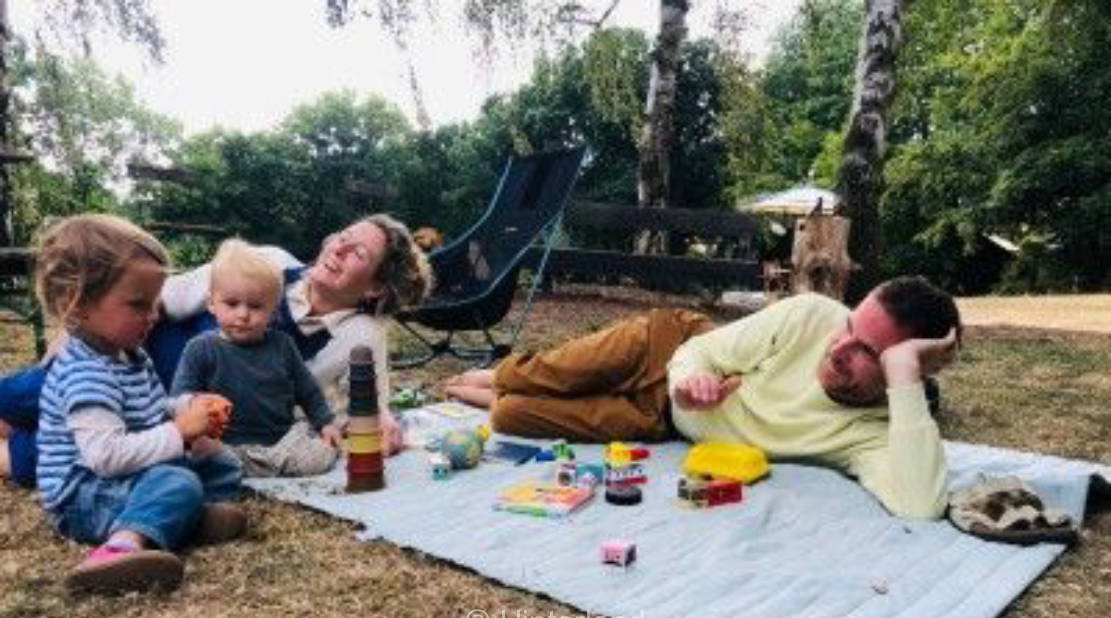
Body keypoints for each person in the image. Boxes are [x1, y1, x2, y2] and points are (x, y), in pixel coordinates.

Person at [445, 276, 961, 519]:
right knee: (541, 374)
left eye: (868, 351)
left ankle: (472, 388)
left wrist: (905, 377)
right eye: (848, 325)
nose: (838, 346)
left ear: (906, 367)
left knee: (512, 414)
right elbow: (701, 352)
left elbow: (920, 504)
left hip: (660, 422)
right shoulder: (810, 314)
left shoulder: (874, 432)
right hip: (663, 348)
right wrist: (688, 382)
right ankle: (496, 373)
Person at [0, 212, 433, 487]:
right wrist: (70, 340)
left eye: (356, 251)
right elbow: (162, 298)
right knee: (26, 395)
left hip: (168, 421)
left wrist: (383, 420)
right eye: (342, 234)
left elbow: (371, 404)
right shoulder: (266, 261)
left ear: (376, 286)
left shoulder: (364, 334)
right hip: (126, 367)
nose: (337, 246)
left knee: (51, 454)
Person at [32, 214, 247, 594]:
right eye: (137, 305)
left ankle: (183, 514)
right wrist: (179, 432)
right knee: (176, 480)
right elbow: (106, 457)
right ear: (77, 305)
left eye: (154, 303)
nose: (152, 316)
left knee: (222, 464)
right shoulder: (86, 373)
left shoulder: (129, 353)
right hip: (84, 495)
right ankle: (121, 548)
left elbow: (151, 407)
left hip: (124, 478)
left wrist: (187, 406)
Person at [171, 238, 343, 477]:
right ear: (212, 303)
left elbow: (308, 390)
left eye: (255, 306)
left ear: (272, 312)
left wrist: (325, 423)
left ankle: (260, 467)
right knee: (203, 455)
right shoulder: (201, 348)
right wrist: (196, 408)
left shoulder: (282, 345)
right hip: (227, 442)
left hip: (282, 439)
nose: (242, 314)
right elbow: (179, 399)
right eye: (231, 304)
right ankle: (245, 467)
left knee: (320, 456)